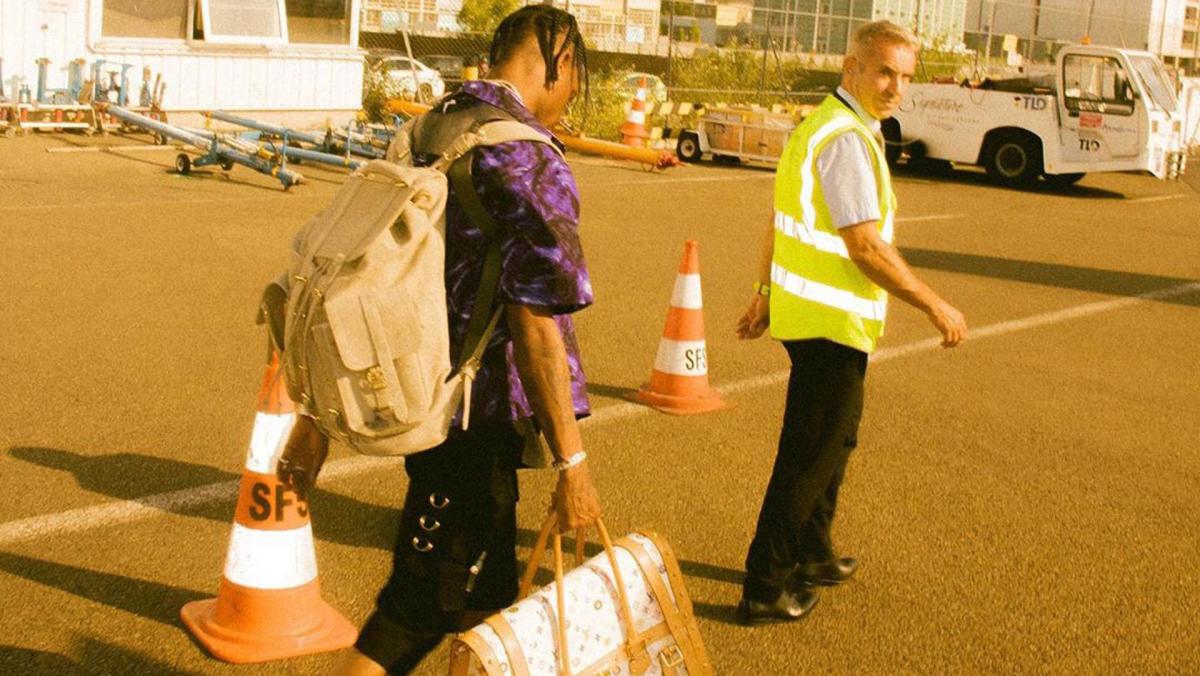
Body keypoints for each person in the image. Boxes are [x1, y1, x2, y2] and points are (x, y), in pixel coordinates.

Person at [280, 7, 601, 674]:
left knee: (489, 608)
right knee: (416, 609)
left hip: (415, 387)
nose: (571, 97)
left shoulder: (427, 128)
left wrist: (314, 418)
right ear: (558, 61)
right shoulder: (527, 159)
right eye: (577, 80)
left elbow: (350, 269)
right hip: (471, 422)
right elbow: (536, 322)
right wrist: (573, 466)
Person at [734, 20, 968, 625]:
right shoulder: (843, 138)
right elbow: (864, 246)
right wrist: (934, 303)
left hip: (817, 316)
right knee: (809, 455)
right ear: (853, 68)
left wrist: (763, 292)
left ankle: (813, 553)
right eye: (885, 71)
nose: (897, 87)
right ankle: (765, 585)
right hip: (828, 323)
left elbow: (778, 221)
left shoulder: (827, 125)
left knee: (836, 442)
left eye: (906, 76)